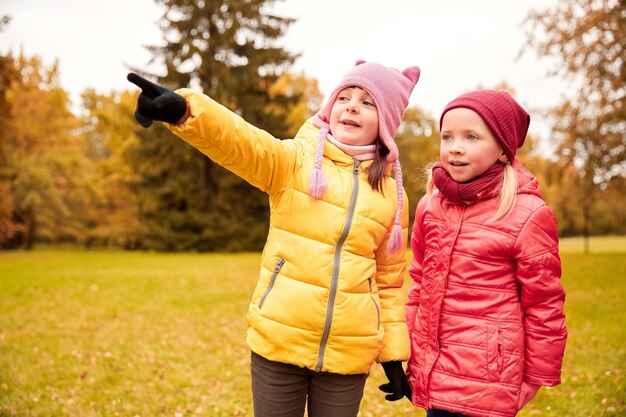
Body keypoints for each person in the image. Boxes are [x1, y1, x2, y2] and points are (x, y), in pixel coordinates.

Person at [127, 60, 420, 417]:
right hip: (278, 342)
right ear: (331, 108)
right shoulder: (294, 162)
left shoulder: (392, 195)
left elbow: (389, 284)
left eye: (368, 101)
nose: (352, 106)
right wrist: (187, 110)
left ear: (387, 123)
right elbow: (242, 141)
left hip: (349, 354)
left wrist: (392, 355)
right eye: (345, 96)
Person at [405, 90, 567, 417]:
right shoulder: (429, 206)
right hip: (436, 372)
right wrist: (404, 353)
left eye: (472, 137)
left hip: (490, 376)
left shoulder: (527, 213)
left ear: (503, 151)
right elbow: (419, 285)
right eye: (447, 137)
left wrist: (535, 378)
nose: (455, 147)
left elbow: (544, 302)